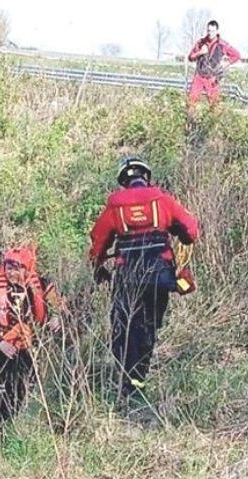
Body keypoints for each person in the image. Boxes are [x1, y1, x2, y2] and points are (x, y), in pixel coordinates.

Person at [89, 158, 200, 400]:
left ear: (124, 182)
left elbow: (98, 242)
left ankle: (125, 385)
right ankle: (139, 381)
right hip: (160, 277)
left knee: (123, 328)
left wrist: (98, 267)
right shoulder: (163, 201)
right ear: (147, 177)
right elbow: (191, 231)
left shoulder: (114, 207)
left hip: (127, 278)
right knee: (149, 328)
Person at [0, 246, 64, 434]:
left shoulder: (41, 285)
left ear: (28, 268)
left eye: (17, 268)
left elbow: (58, 305)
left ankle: (11, 434)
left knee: (20, 395)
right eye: (9, 267)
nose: (12, 272)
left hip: (27, 350)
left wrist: (56, 317)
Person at [186, 20, 242, 115]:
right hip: (199, 76)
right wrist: (200, 52)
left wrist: (226, 63)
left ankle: (214, 127)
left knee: (215, 105)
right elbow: (190, 57)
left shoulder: (223, 44)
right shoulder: (201, 43)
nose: (210, 33)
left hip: (212, 78)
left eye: (212, 31)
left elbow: (237, 55)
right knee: (191, 101)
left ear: (216, 31)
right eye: (208, 30)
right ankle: (189, 125)